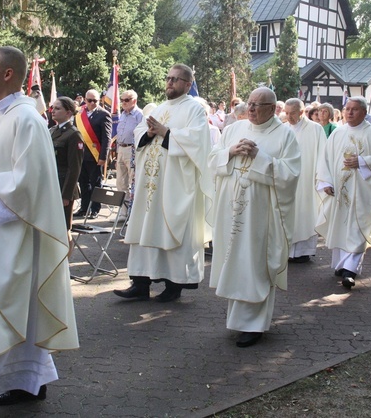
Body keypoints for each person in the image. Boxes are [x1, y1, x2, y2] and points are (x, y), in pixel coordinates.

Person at [0, 47, 78, 418]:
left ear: (8, 74)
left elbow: (35, 182)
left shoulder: (27, 119)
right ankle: (30, 382)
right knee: (15, 310)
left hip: (14, 235)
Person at [209, 87, 300, 347]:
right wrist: (230, 152)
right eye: (249, 103)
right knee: (234, 258)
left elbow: (291, 174)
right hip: (232, 208)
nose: (251, 108)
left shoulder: (285, 136)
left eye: (258, 105)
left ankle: (255, 325)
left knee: (254, 261)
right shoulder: (233, 130)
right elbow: (212, 160)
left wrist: (260, 157)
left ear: (273, 109)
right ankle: (238, 321)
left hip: (261, 212)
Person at [114, 64, 213, 302]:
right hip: (151, 184)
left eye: (176, 79)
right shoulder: (158, 107)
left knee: (172, 230)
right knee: (144, 229)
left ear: (188, 84)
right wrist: (147, 133)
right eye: (168, 78)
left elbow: (199, 142)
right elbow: (139, 131)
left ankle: (173, 285)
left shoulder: (194, 110)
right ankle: (140, 283)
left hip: (176, 185)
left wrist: (166, 132)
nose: (169, 82)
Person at [316, 96, 371, 288]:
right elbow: (324, 158)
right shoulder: (338, 133)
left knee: (358, 227)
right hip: (340, 191)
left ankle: (351, 270)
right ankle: (341, 265)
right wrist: (325, 181)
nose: (349, 112)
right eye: (347, 109)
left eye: (354, 109)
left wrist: (363, 162)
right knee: (341, 226)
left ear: (364, 112)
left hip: (363, 192)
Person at [284, 98, 326, 263]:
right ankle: (287, 251)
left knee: (306, 213)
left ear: (301, 112)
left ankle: (303, 251)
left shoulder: (315, 129)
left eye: (292, 113)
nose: (288, 117)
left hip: (307, 179)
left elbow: (323, 154)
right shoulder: (283, 129)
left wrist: (320, 178)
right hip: (287, 180)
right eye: (286, 113)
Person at [73, 88, 111, 219]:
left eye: (95, 101)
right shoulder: (79, 113)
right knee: (83, 183)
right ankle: (84, 208)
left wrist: (103, 157)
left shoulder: (104, 114)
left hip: (95, 155)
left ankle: (95, 209)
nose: (92, 103)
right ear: (85, 99)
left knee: (95, 183)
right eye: (89, 100)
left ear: (99, 100)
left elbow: (107, 138)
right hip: (81, 155)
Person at [49, 97, 84, 237]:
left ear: (68, 113)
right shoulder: (52, 130)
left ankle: (65, 258)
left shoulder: (74, 134)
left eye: (58, 108)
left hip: (63, 186)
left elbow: (74, 167)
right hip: (52, 184)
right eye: (53, 107)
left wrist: (66, 195)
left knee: (63, 229)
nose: (53, 111)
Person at [115, 89, 142, 212]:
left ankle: (132, 212)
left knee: (133, 182)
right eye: (122, 100)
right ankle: (123, 212)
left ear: (134, 101)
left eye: (127, 100)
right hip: (121, 148)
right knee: (120, 182)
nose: (124, 102)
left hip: (132, 150)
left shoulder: (140, 115)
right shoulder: (123, 114)